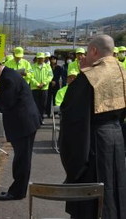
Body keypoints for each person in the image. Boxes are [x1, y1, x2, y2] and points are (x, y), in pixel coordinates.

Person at [59, 35, 126, 219]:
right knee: (115, 188)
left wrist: (74, 164)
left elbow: (73, 119)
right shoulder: (122, 71)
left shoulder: (89, 78)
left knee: (91, 198)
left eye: (87, 52)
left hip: (94, 143)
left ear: (94, 51)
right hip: (117, 139)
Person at [0, 57, 41, 200]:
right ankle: (17, 189)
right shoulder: (9, 75)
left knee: (22, 159)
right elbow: (11, 98)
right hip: (24, 122)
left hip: (23, 124)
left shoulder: (8, 78)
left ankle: (17, 192)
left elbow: (7, 102)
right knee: (22, 158)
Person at [30, 52, 53, 122]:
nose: (40, 59)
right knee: (35, 104)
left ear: (44, 59)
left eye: (42, 58)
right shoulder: (32, 66)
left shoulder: (48, 66)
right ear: (37, 58)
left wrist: (44, 83)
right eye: (39, 58)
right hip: (35, 88)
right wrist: (37, 84)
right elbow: (30, 76)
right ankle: (36, 118)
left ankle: (41, 118)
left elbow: (50, 76)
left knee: (43, 104)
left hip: (44, 88)